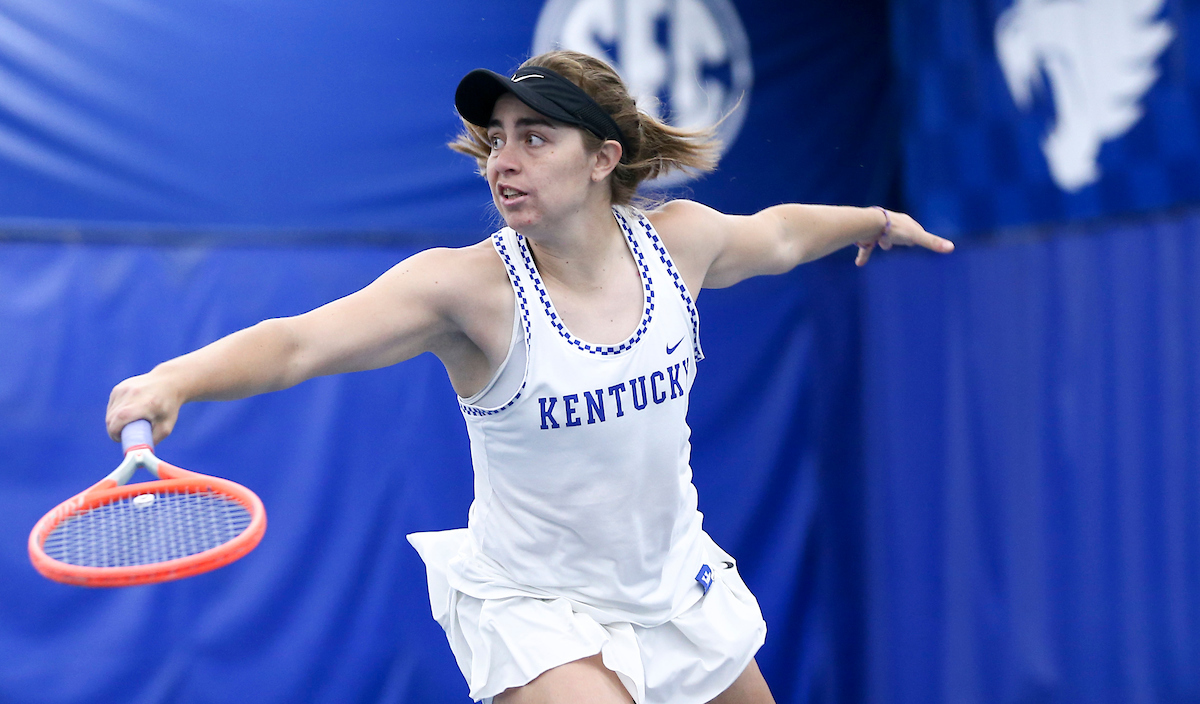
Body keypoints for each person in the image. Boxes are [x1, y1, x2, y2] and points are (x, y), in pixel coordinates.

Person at [106, 50, 953, 704]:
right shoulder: (463, 290)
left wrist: (873, 218)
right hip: (535, 605)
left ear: (601, 158)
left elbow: (778, 235)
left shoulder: (681, 242)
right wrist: (174, 379)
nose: (502, 160)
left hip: (672, 585)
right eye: (496, 140)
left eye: (534, 137)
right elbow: (298, 343)